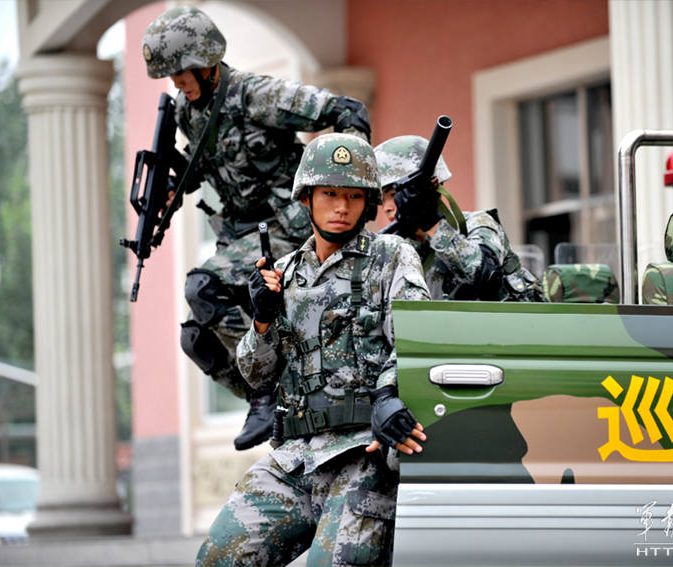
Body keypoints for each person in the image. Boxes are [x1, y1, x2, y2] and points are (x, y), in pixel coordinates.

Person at [141, 6, 372, 450]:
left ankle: (265, 394)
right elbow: (210, 166)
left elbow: (347, 111)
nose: (178, 84)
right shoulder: (192, 112)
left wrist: (349, 195)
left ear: (206, 60)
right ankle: (281, 400)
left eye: (182, 72)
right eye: (171, 77)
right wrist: (173, 186)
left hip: (291, 225)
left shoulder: (255, 94)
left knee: (202, 287)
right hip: (244, 235)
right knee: (196, 340)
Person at [196, 133, 430, 566]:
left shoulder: (390, 255)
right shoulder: (283, 272)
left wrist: (387, 392)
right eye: (330, 194)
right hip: (296, 458)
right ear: (307, 198)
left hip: (364, 454)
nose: (341, 207)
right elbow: (256, 373)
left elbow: (417, 336)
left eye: (353, 196)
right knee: (218, 558)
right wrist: (262, 319)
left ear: (368, 202)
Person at [375, 135, 544, 302]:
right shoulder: (397, 245)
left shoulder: (478, 223)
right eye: (381, 199)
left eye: (393, 195)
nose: (387, 207)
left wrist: (433, 224)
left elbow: (485, 274)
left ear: (433, 186)